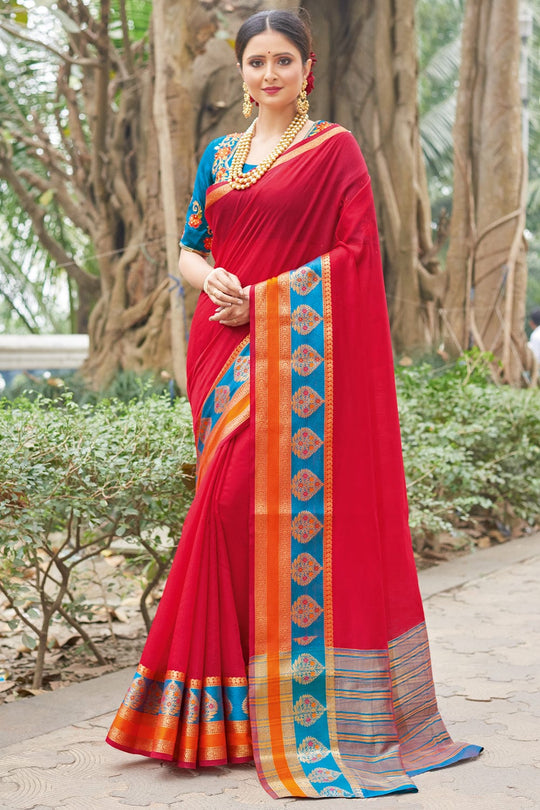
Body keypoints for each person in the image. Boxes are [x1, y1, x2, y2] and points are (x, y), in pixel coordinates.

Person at [106, 9, 482, 799]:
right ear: (240, 72)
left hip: (290, 352)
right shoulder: (220, 155)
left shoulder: (334, 150)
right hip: (219, 353)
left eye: (283, 60)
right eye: (255, 62)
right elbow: (190, 245)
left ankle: (275, 708)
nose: (268, 74)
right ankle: (227, 714)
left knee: (233, 507)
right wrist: (202, 279)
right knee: (225, 512)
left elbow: (354, 256)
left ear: (306, 68)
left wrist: (269, 303)